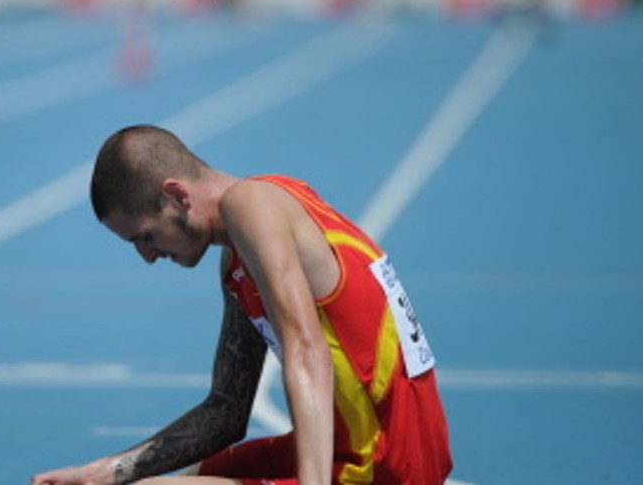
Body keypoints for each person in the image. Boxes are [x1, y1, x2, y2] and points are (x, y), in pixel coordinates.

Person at [31, 125, 452, 485]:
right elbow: (227, 411)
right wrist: (106, 471)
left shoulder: (250, 205)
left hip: (381, 467)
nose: (148, 256)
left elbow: (307, 351)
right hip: (362, 450)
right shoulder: (240, 256)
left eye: (145, 236)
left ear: (176, 195)